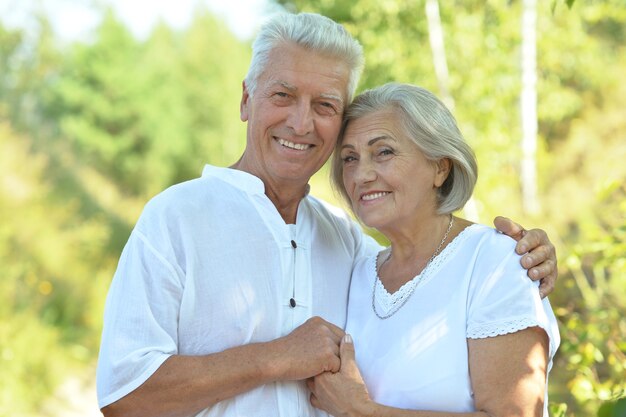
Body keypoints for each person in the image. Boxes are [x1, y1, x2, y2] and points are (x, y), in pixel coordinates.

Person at [97, 13, 558, 417]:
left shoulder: (348, 243)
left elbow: (434, 268)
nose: (301, 123)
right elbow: (125, 395)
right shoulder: (176, 218)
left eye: (325, 106)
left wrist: (526, 255)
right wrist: (277, 358)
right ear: (245, 100)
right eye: (282, 95)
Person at [307, 83, 560, 417]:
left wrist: (361, 411)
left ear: (441, 167)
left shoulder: (494, 262)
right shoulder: (356, 271)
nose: (361, 174)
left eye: (384, 152)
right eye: (350, 158)